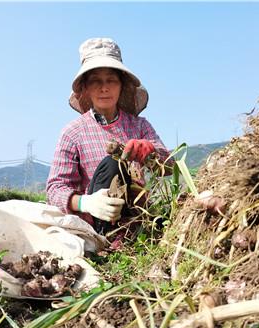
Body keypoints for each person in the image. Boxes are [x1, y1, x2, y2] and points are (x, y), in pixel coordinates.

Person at [46, 38, 171, 236]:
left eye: (111, 80)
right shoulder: (73, 132)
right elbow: (55, 189)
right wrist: (86, 202)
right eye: (95, 81)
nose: (104, 88)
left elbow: (169, 167)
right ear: (85, 88)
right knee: (112, 163)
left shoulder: (140, 126)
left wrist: (150, 151)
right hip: (95, 229)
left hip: (139, 224)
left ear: (121, 85)